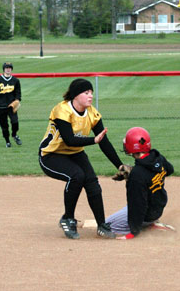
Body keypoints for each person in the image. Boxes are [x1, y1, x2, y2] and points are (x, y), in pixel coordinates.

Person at [39, 78, 124, 239]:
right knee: (76, 176)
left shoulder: (92, 112)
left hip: (75, 153)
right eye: (86, 93)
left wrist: (119, 165)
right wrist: (93, 140)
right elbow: (70, 140)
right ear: (76, 96)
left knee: (92, 181)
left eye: (91, 92)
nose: (90, 96)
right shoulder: (62, 110)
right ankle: (67, 218)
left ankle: (101, 225)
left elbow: (103, 141)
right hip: (51, 154)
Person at [107, 127, 174, 240]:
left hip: (146, 214)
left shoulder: (137, 174)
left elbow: (138, 205)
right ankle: (151, 223)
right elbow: (170, 169)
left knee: (106, 226)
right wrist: (134, 172)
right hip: (157, 207)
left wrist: (133, 232)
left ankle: (148, 227)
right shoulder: (157, 157)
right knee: (132, 206)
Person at [0, 62, 22, 148]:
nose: (8, 69)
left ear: (11, 69)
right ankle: (7, 141)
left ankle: (14, 135)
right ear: (3, 69)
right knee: (4, 126)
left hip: (11, 106)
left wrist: (17, 100)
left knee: (15, 122)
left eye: (9, 68)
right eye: (6, 68)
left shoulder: (15, 81)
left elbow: (18, 93)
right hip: (0, 107)